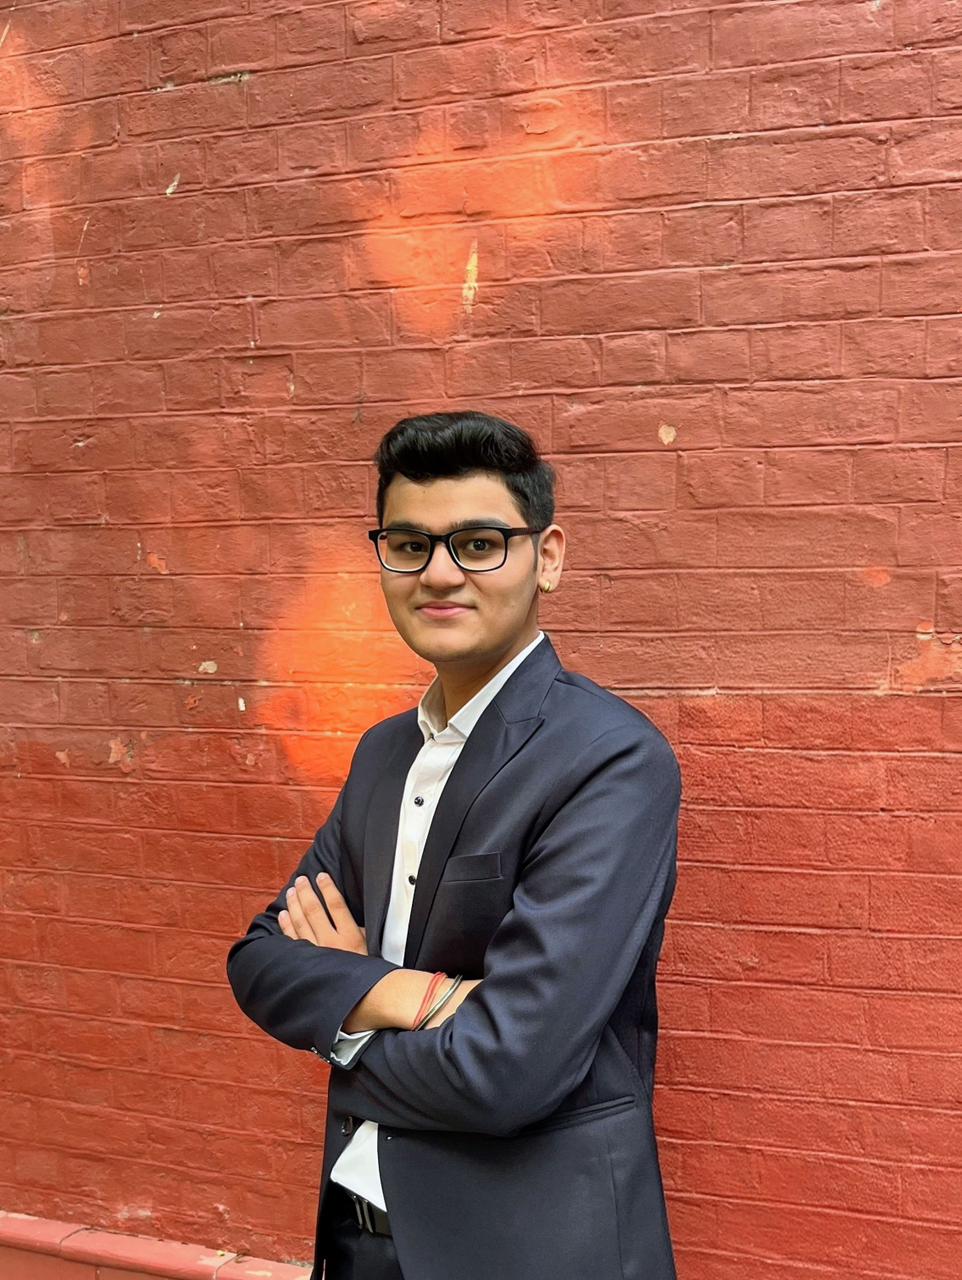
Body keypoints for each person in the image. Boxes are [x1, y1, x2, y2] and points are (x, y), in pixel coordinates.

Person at [226, 410, 682, 1280]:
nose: (439, 573)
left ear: (547, 557)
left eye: (478, 544)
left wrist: (341, 1017)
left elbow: (509, 1070)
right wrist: (420, 996)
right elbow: (259, 962)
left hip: (528, 1250)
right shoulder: (382, 754)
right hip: (357, 1236)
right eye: (409, 545)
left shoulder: (609, 758)